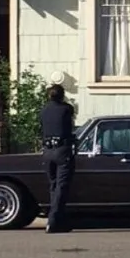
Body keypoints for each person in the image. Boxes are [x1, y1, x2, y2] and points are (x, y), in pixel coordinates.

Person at [40, 84, 76, 233]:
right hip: (62, 149)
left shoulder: (43, 110)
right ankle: (53, 220)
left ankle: (59, 219)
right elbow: (70, 127)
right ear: (62, 95)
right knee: (61, 186)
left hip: (48, 150)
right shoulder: (66, 109)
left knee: (53, 185)